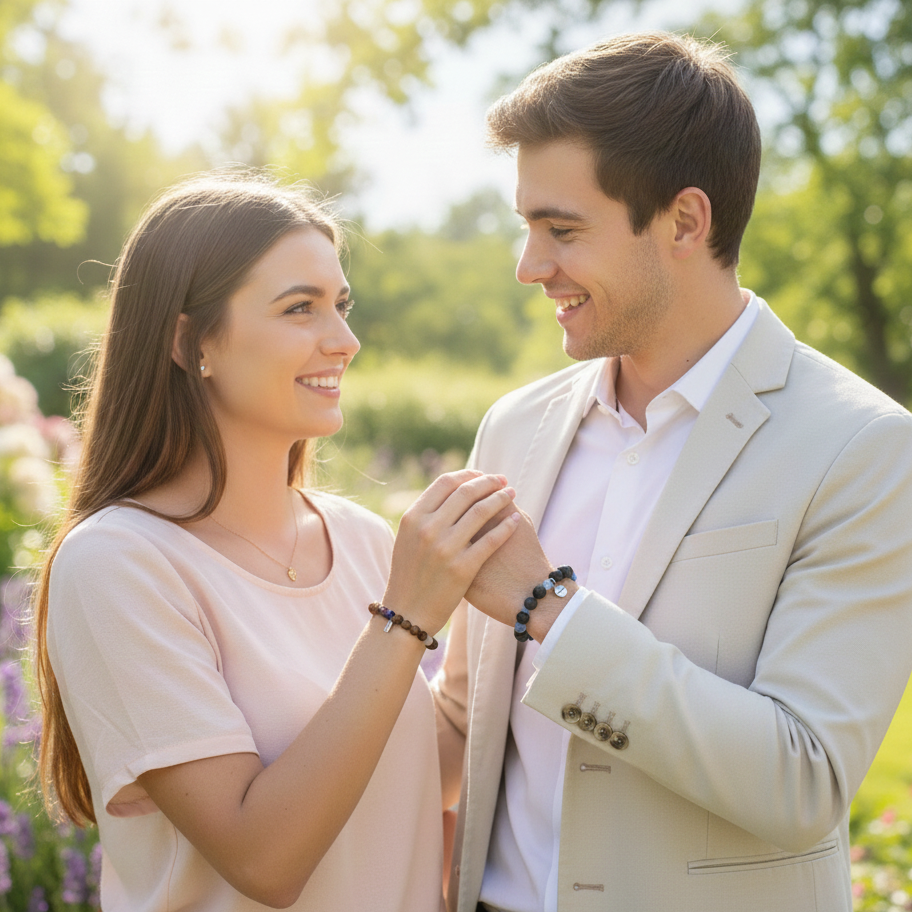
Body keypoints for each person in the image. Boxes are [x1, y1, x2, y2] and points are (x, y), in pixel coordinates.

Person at [432, 31, 912, 912]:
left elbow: (803, 782)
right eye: (527, 226)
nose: (529, 266)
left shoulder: (865, 448)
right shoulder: (514, 427)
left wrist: (550, 609)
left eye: (561, 230)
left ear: (686, 222)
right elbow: (461, 725)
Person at [34, 171, 521, 912]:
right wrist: (408, 619)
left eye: (342, 306)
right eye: (301, 309)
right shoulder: (120, 564)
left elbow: (412, 773)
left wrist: (524, 625)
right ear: (190, 340)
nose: (345, 341)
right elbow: (265, 859)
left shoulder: (360, 539)